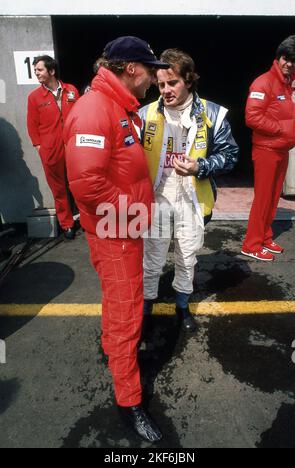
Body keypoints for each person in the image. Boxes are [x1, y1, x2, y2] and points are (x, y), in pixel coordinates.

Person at [64, 36, 169, 443]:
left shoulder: (119, 107)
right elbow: (87, 185)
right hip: (116, 232)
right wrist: (132, 211)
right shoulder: (94, 109)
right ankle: (129, 402)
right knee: (127, 315)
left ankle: (115, 352)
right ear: (131, 69)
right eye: (150, 69)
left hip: (124, 227)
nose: (154, 78)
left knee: (119, 306)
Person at [139, 49, 239, 331]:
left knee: (187, 256)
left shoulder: (213, 113)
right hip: (155, 199)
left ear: (189, 80)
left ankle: (182, 307)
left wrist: (201, 167)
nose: (166, 90)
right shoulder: (143, 114)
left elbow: (230, 156)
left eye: (173, 83)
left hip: (191, 200)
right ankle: (146, 307)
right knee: (152, 259)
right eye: (161, 84)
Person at [241, 35, 295, 261]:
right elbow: (252, 117)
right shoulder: (262, 82)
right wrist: (282, 130)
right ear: (279, 57)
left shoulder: (293, 81)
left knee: (274, 198)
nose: (289, 64)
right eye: (286, 58)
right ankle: (251, 244)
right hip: (266, 149)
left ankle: (265, 237)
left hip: (282, 150)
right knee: (263, 199)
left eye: (294, 60)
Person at [27, 55, 79, 240]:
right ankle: (67, 224)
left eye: (40, 70)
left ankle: (87, 219)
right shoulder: (34, 97)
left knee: (80, 183)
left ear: (52, 71)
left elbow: (80, 115)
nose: (37, 74)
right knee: (58, 189)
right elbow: (32, 125)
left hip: (73, 147)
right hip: (50, 150)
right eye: (35, 71)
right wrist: (40, 147)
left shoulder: (71, 90)